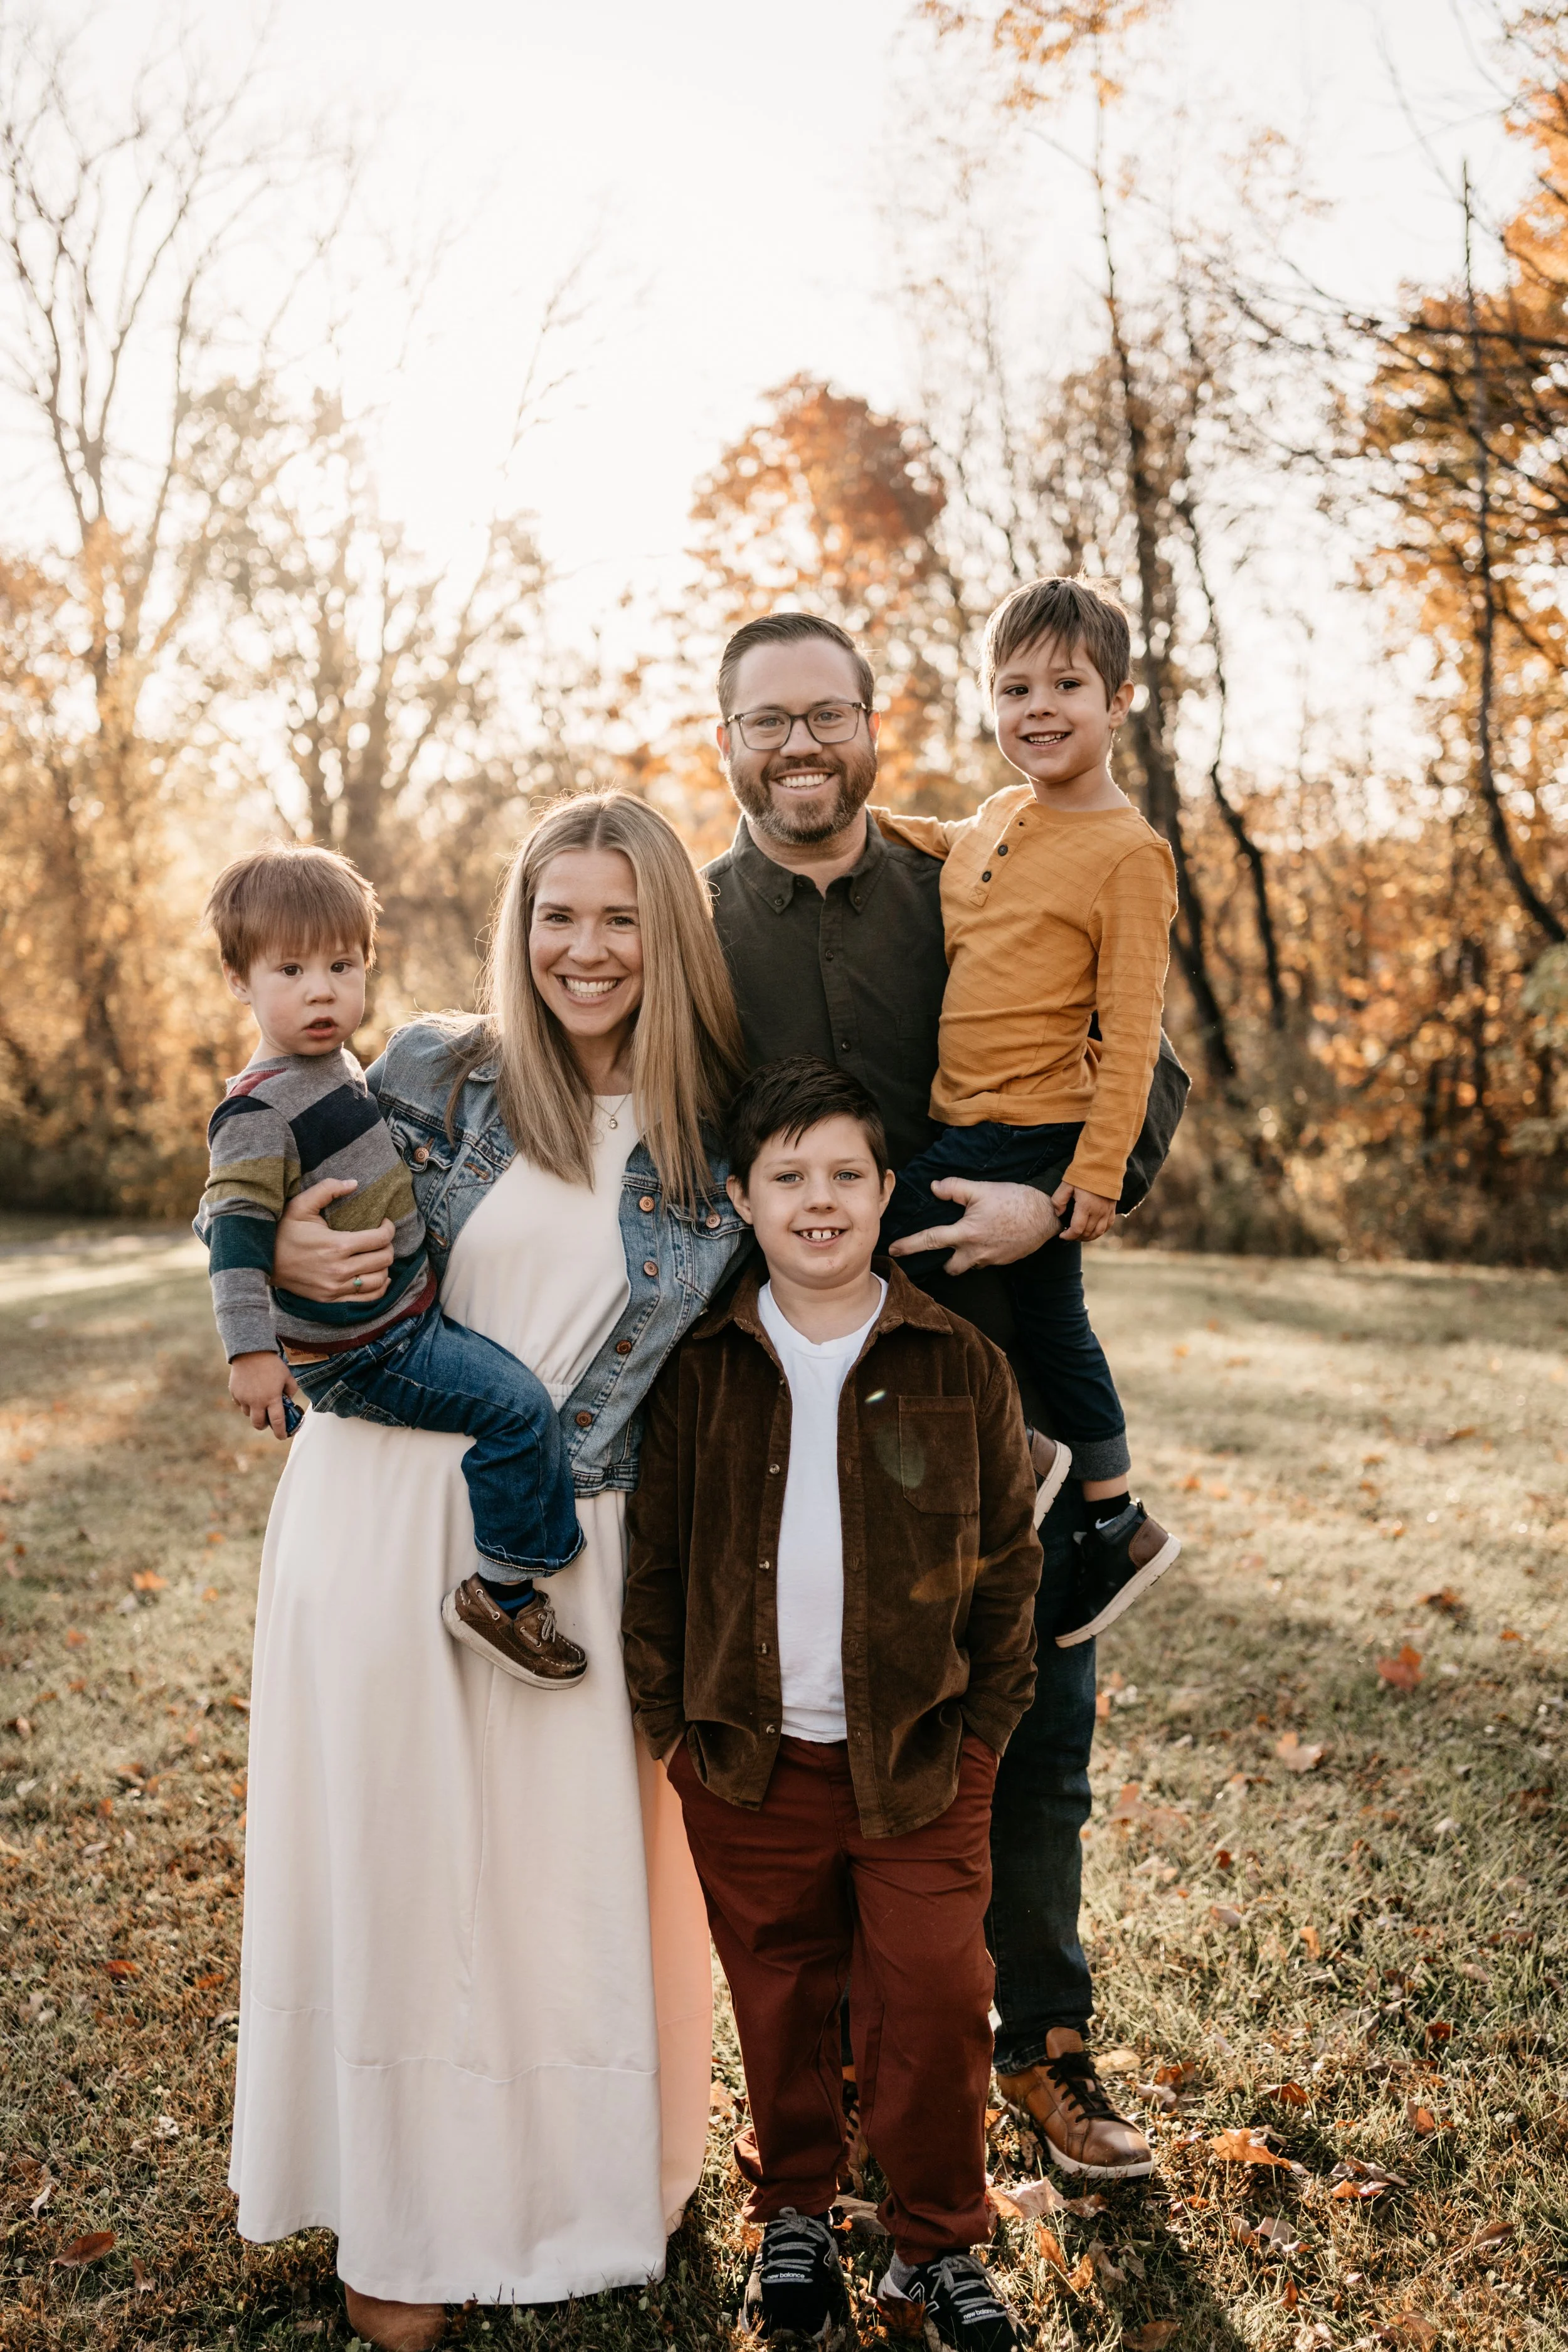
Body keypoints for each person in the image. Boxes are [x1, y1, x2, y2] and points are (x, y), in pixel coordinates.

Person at [228, 793, 747, 2352]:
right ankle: (398, 2216)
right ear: (517, 928)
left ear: (669, 934)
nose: (583, 949)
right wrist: (288, 1269)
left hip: (568, 1551)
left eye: (618, 917)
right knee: (399, 1873)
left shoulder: (722, 1128)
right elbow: (262, 1180)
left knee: (547, 1883)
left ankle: (564, 2184)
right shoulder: (428, 1070)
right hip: (384, 1518)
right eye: (554, 914)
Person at [702, 609, 1158, 2181]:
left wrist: (1066, 1207)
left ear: (874, 723)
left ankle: (1044, 2051)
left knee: (1029, 1710)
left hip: (1000, 1358)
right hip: (796, 1390)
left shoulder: (964, 870)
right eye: (769, 721)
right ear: (726, 741)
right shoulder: (697, 926)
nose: (801, 745)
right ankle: (835, 2080)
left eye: (828, 714)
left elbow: (1135, 1054)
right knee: (818, 1727)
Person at [624, 1056, 1041, 2352]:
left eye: (846, 1176)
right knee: (780, 1992)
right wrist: (673, 1732)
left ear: (882, 1192)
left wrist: (975, 1744)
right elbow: (657, 1567)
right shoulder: (701, 1371)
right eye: (787, 1177)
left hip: (915, 1764)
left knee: (929, 1995)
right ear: (741, 1198)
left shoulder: (953, 1361)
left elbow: (1005, 1576)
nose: (819, 1200)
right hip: (746, 1761)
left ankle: (937, 2237)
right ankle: (796, 2204)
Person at [875, 575, 1182, 1649]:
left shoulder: (1130, 855)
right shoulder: (1005, 813)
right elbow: (950, 839)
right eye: (1015, 687)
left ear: (1121, 699)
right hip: (975, 1109)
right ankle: (1117, 1520)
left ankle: (1033, 1459)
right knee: (1054, 1327)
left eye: (1068, 684)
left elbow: (1136, 1029)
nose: (1038, 707)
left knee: (868, 1258)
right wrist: (856, 826)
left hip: (1032, 1125)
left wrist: (1095, 1176)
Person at [199, 843, 588, 1688]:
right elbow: (230, 1230)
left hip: (400, 1321)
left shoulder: (336, 1066)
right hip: (368, 1350)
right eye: (291, 968)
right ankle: (506, 1592)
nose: (321, 988)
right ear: (239, 977)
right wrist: (251, 1352)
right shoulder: (258, 1106)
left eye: (343, 964)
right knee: (518, 1409)